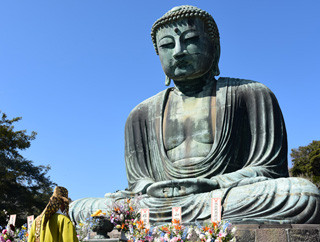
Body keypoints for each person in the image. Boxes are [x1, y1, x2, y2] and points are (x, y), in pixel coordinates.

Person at [70, 5, 320, 224]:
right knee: (79, 209)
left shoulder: (251, 94)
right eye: (167, 45)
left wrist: (213, 184)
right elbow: (138, 184)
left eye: (189, 40)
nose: (178, 51)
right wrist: (155, 189)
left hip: (223, 196)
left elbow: (268, 170)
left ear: (214, 47)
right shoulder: (140, 115)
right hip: (160, 204)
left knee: (302, 195)